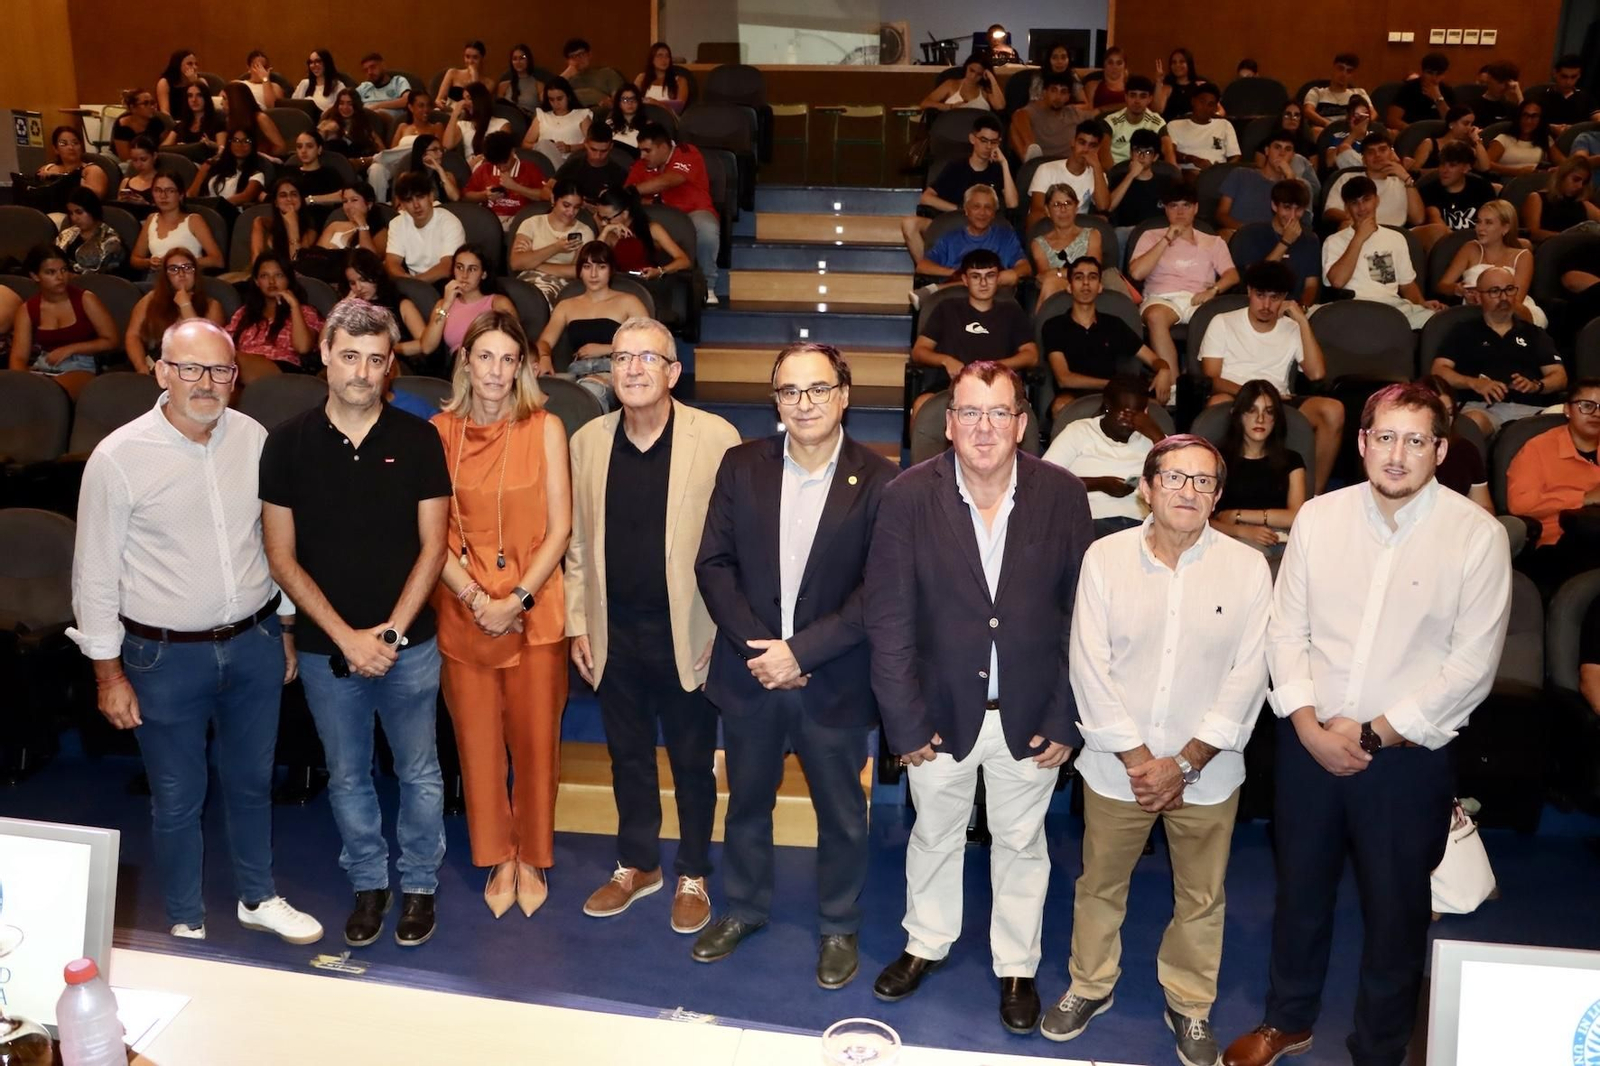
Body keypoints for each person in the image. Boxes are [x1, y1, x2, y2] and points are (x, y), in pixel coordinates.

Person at [1221, 382, 1511, 1066]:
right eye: (1385, 437)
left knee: (1396, 912)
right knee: (1300, 894)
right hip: (1309, 743)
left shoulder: (1477, 536)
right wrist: (1308, 726)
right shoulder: (1319, 518)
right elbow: (1285, 631)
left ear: (1441, 450)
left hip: (1406, 759)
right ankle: (1287, 1020)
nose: (1397, 454)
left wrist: (1375, 732)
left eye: (1416, 440)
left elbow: (1471, 667)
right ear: (1361, 442)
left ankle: (1379, 1049)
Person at [69, 316, 324, 946]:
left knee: (252, 782)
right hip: (162, 659)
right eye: (190, 368)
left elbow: (272, 545)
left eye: (219, 370)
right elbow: (94, 574)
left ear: (236, 378)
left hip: (255, 644)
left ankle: (257, 897)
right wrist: (108, 675)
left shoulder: (253, 438)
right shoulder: (118, 457)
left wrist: (285, 628)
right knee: (177, 796)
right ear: (161, 372)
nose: (205, 382)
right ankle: (185, 915)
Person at [865, 360, 1090, 1035]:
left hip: (1032, 714)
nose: (984, 427)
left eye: (999, 413)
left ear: (1021, 423)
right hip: (936, 715)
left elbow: (1083, 616)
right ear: (948, 424)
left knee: (1023, 843)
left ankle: (1017, 966)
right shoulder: (907, 496)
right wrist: (905, 723)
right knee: (933, 834)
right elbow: (889, 620)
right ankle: (925, 942)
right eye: (969, 412)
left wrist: (1066, 715)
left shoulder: (1062, 494)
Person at [1043, 434, 1269, 1065]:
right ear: (1146, 488)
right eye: (1173, 477)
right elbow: (1090, 666)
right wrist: (1143, 762)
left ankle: (1190, 1003)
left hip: (1210, 772)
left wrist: (1187, 761)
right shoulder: (1104, 559)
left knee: (1202, 897)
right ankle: (1090, 985)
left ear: (1218, 496)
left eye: (1203, 481)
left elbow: (1249, 674)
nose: (1187, 491)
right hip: (1120, 770)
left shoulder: (1248, 568)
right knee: (1099, 885)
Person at [691, 342, 897, 984]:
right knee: (746, 805)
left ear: (844, 395)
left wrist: (801, 653)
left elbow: (878, 591)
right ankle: (744, 908)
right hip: (751, 674)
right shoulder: (740, 465)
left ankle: (838, 924)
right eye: (789, 391)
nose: (804, 403)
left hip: (832, 680)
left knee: (842, 815)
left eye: (818, 389)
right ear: (775, 400)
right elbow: (713, 565)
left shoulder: (882, 479)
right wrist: (764, 652)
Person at [261, 297, 453, 950]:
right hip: (327, 651)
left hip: (410, 647)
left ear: (390, 364)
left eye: (375, 359)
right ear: (324, 355)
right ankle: (369, 884)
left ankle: (419, 884)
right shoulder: (286, 444)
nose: (362, 372)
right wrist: (347, 639)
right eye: (349, 356)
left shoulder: (419, 439)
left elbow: (435, 547)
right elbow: (280, 556)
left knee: (419, 772)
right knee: (347, 776)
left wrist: (390, 634)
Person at [566, 316, 740, 935]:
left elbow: (736, 544)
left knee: (693, 760)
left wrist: (724, 628)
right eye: (621, 358)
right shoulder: (586, 441)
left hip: (688, 633)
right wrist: (577, 622)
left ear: (673, 372)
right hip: (613, 631)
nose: (633, 368)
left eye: (648, 357)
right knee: (627, 757)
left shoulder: (716, 437)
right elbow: (578, 544)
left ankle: (693, 871)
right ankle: (638, 864)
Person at [430, 310, 570, 920]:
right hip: (464, 607)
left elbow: (561, 528)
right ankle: (496, 854)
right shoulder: (438, 432)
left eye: (507, 359)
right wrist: (476, 599)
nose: (495, 370)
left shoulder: (546, 427)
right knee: (478, 745)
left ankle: (531, 854)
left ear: (522, 368)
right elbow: (429, 534)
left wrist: (516, 600)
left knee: (537, 743)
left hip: (533, 607)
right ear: (465, 362)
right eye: (484, 356)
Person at [1199, 260, 1343, 492]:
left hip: (1280, 400)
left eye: (1274, 298)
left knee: (1332, 410)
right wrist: (1256, 396)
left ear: (1285, 298)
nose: (1266, 305)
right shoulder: (1223, 322)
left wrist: (1302, 321)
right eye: (1260, 295)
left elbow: (1317, 373)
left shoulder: (1292, 327)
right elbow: (1212, 378)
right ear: (1249, 291)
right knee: (1217, 404)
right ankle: (1214, 488)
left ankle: (1314, 495)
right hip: (1236, 395)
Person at [1429, 265, 1566, 435]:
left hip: (1530, 411)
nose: (1504, 297)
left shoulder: (1534, 333)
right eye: (1494, 291)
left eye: (1509, 290)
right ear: (1479, 296)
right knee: (1472, 424)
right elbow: (1439, 370)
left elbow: (1559, 376)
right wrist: (1474, 383)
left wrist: (1536, 386)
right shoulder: (1463, 331)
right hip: (1482, 409)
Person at [910, 248, 1036, 419]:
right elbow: (919, 351)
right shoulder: (946, 308)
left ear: (998, 278)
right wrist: (946, 360)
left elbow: (1031, 355)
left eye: (990, 276)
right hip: (951, 385)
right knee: (921, 405)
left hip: (999, 385)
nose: (983, 283)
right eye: (976, 276)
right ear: (965, 279)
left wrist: (995, 367)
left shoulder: (1012, 311)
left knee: (1023, 411)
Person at [1128, 182, 1239, 375]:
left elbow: (1232, 275)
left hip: (1200, 299)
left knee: (1224, 320)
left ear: (1195, 208)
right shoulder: (1150, 236)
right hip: (1162, 299)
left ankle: (1207, 381)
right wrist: (1166, 239)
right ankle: (1172, 385)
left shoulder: (1213, 241)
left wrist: (1213, 290)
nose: (1180, 211)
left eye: (1186, 205)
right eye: (1173, 206)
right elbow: (1137, 273)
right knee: (1155, 316)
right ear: (1166, 209)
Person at [1041, 255, 1172, 411]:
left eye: (1092, 277)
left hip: (1112, 396)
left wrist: (1164, 369)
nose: (1086, 283)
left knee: (1154, 408)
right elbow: (1064, 379)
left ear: (1100, 287)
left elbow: (1153, 359)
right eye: (1079, 277)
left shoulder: (1114, 324)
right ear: (1069, 287)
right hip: (1073, 395)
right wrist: (1113, 384)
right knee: (1060, 406)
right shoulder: (1054, 326)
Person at [1044, 376, 1168, 537]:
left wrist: (1157, 435)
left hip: (1141, 527)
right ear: (1108, 407)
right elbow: (1044, 481)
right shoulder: (1079, 431)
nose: (1130, 422)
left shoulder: (1156, 441)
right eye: (1124, 414)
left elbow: (1180, 475)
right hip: (1090, 523)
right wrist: (1099, 484)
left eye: (1137, 415)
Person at [1506, 380, 1600, 588]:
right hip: (1560, 541)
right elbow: (1520, 504)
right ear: (1567, 409)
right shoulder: (1538, 449)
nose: (1596, 413)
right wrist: (1583, 498)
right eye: (1587, 406)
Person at [534, 240, 649, 403]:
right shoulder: (566, 305)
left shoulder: (629, 301)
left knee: (590, 390)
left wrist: (606, 349)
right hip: (576, 372)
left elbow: (650, 342)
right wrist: (544, 357)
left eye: (601, 267)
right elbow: (544, 341)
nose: (593, 274)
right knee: (538, 389)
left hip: (615, 372)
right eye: (587, 267)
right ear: (580, 271)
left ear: (610, 270)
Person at [1321, 176, 1442, 329]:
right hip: (1353, 308)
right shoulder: (1334, 241)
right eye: (1354, 203)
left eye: (1366, 200)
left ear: (1377, 200)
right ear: (1346, 208)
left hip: (1392, 307)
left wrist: (1421, 304)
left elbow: (1407, 285)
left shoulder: (1396, 238)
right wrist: (1359, 238)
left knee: (1438, 319)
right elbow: (1337, 281)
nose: (1362, 208)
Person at [900, 113, 1017, 264]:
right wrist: (959, 210)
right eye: (983, 140)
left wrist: (1004, 164)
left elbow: (1012, 204)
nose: (988, 146)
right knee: (909, 223)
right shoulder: (956, 167)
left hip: (985, 226)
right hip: (953, 223)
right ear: (972, 139)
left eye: (993, 142)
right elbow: (926, 198)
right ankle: (928, 270)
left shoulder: (998, 170)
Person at [626, 124, 721, 304]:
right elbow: (626, 197)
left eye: (647, 150)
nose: (642, 156)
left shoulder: (686, 152)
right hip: (660, 218)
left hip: (693, 212)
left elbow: (671, 180)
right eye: (640, 150)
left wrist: (634, 191)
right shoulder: (640, 165)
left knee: (707, 228)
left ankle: (707, 285)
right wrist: (635, 196)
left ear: (663, 147)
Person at [8, 244, 117, 399]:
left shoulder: (86, 299)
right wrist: (23, 380)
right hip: (43, 367)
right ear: (35, 276)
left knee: (52, 395)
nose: (60, 277)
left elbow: (111, 340)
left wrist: (71, 349)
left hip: (81, 366)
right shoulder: (27, 309)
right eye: (51, 272)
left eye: (64, 270)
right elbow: (18, 358)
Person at [1210, 382, 1308, 549]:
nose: (1260, 419)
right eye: (1251, 410)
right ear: (1237, 414)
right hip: (1228, 540)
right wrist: (1241, 531)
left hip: (1279, 541)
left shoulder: (1292, 460)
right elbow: (1201, 520)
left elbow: (1296, 516)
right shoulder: (1215, 459)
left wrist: (1238, 514)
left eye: (1268, 411)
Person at [1435, 199, 1545, 325]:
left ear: (1505, 228)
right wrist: (1458, 290)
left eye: (1488, 222)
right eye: (1478, 221)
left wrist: (1485, 296)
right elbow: (1442, 286)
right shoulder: (1470, 248)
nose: (1480, 228)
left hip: (1512, 314)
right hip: (1473, 313)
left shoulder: (1523, 256)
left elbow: (1514, 300)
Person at [914, 185, 1029, 293]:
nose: (982, 212)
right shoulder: (951, 238)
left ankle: (935, 289)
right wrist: (957, 273)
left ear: (994, 213)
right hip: (956, 296)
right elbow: (922, 266)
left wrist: (1013, 273)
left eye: (988, 207)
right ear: (966, 210)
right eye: (976, 207)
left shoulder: (1005, 237)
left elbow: (1025, 267)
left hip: (995, 296)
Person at [227, 252, 323, 380]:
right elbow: (224, 341)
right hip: (244, 370)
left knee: (228, 360)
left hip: (284, 370)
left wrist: (294, 305)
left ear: (288, 279)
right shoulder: (244, 312)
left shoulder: (305, 311)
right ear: (256, 281)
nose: (271, 281)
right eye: (264, 276)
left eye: (278, 275)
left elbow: (303, 347)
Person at [125, 248, 224, 373]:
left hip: (192, 371)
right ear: (166, 276)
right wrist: (140, 365)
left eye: (187, 267)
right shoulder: (151, 299)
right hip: (151, 367)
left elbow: (205, 347)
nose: (181, 273)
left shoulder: (212, 306)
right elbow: (133, 335)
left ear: (195, 272)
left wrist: (185, 305)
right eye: (173, 269)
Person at [1228, 179, 1322, 307]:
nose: (1292, 215)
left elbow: (1311, 285)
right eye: (1287, 208)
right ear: (1274, 205)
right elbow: (1258, 280)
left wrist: (1302, 307)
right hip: (1257, 306)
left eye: (1298, 209)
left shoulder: (1310, 239)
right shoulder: (1250, 233)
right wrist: (1285, 242)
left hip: (1295, 307)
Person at [418, 245, 518, 360]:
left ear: (483, 274)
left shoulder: (498, 303)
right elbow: (427, 347)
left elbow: (514, 343)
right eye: (459, 267)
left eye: (472, 269)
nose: (464, 275)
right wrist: (446, 305)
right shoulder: (443, 304)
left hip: (490, 362)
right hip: (457, 365)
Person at [338, 248, 429, 369]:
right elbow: (327, 341)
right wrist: (341, 309)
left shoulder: (401, 304)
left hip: (396, 364)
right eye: (352, 283)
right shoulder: (351, 306)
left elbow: (425, 343)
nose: (358, 288)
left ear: (376, 276)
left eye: (363, 280)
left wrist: (389, 348)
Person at [1416, 375, 1494, 511]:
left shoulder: (1465, 450)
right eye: (1438, 414)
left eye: (1450, 413)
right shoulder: (1402, 452)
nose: (1445, 421)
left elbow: (1484, 507)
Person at [509, 180, 594, 304]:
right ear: (554, 199)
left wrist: (533, 262)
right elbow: (516, 263)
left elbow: (578, 271)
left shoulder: (585, 232)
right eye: (566, 205)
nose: (571, 212)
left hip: (561, 285)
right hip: (527, 281)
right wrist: (556, 247)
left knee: (539, 300)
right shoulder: (532, 223)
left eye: (576, 207)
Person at [1216, 132, 1310, 237]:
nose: (1282, 153)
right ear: (1267, 151)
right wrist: (1247, 231)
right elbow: (1221, 214)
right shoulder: (1240, 174)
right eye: (1277, 147)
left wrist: (1290, 177)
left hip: (1275, 238)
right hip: (1237, 233)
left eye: (1287, 149)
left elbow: (1300, 224)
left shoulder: (1300, 186)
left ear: (1292, 156)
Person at [130, 173, 225, 276]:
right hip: (157, 278)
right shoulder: (151, 219)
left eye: (170, 191)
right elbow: (135, 259)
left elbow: (217, 260)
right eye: (158, 190)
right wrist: (148, 262)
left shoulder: (194, 220)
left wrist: (177, 264)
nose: (163, 196)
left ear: (180, 195)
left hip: (185, 277)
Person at [1323, 133, 1423, 228]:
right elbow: (1330, 211)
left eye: (1382, 150)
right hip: (1360, 229)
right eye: (1370, 152)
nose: (1377, 155)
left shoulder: (1403, 183)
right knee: (1344, 226)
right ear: (1363, 160)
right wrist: (1356, 220)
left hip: (1397, 233)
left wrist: (1407, 178)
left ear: (1392, 154)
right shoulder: (1348, 178)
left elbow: (1418, 220)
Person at [593, 186, 692, 281]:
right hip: (619, 284)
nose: (603, 223)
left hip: (647, 282)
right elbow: (593, 260)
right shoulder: (609, 233)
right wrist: (605, 231)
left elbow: (684, 261)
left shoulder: (652, 229)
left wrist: (660, 271)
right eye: (601, 218)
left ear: (624, 214)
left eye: (607, 219)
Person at [1413, 142, 1498, 250]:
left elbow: (1493, 222)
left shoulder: (1482, 188)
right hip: (1447, 247)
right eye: (1442, 164)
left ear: (1466, 168)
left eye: (1452, 165)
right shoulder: (1429, 190)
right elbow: (1435, 219)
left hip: (1481, 245)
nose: (1444, 170)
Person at [385, 170, 466, 283]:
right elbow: (392, 262)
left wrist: (415, 284)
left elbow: (447, 267)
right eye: (409, 200)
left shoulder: (450, 222)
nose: (416, 205)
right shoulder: (397, 223)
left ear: (431, 197)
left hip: (444, 283)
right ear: (402, 204)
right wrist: (406, 281)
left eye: (420, 197)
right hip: (412, 282)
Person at [1030, 184, 1105, 305]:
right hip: (1056, 294)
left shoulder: (1092, 234)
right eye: (1056, 205)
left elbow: (1093, 271)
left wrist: (1058, 272)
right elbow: (1044, 276)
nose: (1063, 209)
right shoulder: (1038, 243)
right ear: (1047, 210)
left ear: (1076, 207)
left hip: (1088, 289)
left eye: (1068, 203)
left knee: (1051, 283)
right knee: (1050, 283)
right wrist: (1077, 274)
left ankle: (1040, 318)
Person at [1024, 122, 1109, 226]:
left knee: (1103, 220)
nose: (1086, 150)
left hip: (1078, 228)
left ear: (1098, 149)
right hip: (1049, 224)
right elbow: (1037, 209)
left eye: (1092, 146)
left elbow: (1103, 207)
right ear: (1073, 142)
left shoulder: (1098, 174)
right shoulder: (1046, 169)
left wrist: (1097, 167)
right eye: (1082, 143)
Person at [465, 131, 548, 228]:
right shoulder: (484, 169)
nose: (501, 168)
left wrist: (515, 187)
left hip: (518, 220)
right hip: (489, 221)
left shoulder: (529, 169)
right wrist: (485, 195)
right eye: (496, 164)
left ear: (512, 152)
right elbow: (466, 196)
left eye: (504, 162)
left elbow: (545, 195)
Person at [1010, 71, 1087, 163]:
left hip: (1070, 163)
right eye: (1053, 90)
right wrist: (1031, 144)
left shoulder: (1074, 111)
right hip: (1043, 163)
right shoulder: (1035, 108)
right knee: (1012, 127)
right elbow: (1019, 115)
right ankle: (1031, 158)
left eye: (1063, 92)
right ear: (1045, 92)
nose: (1058, 96)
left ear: (1068, 96)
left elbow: (1097, 112)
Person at [1107, 129, 1175, 230]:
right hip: (1127, 232)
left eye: (1147, 152)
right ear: (1131, 153)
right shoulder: (1118, 178)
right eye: (1138, 151)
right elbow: (1108, 207)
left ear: (1155, 157)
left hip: (1157, 231)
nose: (1141, 157)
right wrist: (1131, 175)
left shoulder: (1167, 182)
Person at [1100, 75, 1172, 169]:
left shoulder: (1157, 122)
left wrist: (1172, 173)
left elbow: (1168, 152)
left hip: (1146, 172)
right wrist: (1115, 175)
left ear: (1150, 99)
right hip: (1116, 171)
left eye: (1143, 96)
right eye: (1133, 95)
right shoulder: (1110, 122)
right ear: (1126, 97)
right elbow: (1104, 154)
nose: (1137, 101)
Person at [1522, 157, 1600, 243]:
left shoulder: (1583, 204)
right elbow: (1533, 233)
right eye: (1576, 179)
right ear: (1562, 176)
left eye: (1584, 182)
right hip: (1549, 248)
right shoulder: (1537, 198)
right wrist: (1571, 238)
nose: (1580, 186)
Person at [1165, 83, 1240, 172]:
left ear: (1216, 108)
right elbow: (1169, 153)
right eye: (1202, 102)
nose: (1205, 107)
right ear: (1193, 101)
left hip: (1217, 172)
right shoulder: (1174, 125)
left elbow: (1235, 156)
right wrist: (1192, 159)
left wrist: (1222, 169)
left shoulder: (1225, 125)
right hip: (1187, 172)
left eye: (1210, 104)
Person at [523, 78, 593, 170]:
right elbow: (525, 144)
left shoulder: (582, 115)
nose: (556, 103)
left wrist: (569, 148)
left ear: (568, 96)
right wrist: (546, 147)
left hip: (571, 162)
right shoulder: (542, 116)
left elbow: (592, 144)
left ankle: (559, 174)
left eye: (559, 99)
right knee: (544, 144)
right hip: (545, 162)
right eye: (551, 99)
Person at [189, 128, 268, 209]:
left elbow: (245, 196)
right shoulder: (210, 165)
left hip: (230, 213)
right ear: (229, 143)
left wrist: (215, 207)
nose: (240, 145)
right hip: (203, 211)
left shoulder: (256, 175)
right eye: (235, 140)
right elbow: (191, 193)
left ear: (253, 145)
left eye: (246, 141)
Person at [57, 188, 126, 276]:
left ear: (92, 210)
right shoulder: (66, 234)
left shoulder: (111, 240)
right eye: (71, 213)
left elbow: (110, 275)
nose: (74, 218)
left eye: (79, 212)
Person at [250, 178, 319, 265]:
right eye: (283, 195)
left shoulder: (310, 231)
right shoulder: (262, 223)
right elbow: (256, 262)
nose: (289, 199)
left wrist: (293, 225)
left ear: (301, 200)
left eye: (294, 195)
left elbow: (298, 265)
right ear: (276, 202)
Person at [1403, 105, 1491, 173]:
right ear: (1451, 124)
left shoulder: (1467, 149)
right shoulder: (1429, 143)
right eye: (1465, 124)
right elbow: (1414, 171)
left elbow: (1485, 167)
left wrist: (1476, 140)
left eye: (1471, 124)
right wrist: (1447, 172)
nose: (1469, 128)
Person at [558, 124, 630, 206]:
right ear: (586, 144)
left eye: (603, 151)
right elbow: (549, 188)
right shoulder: (573, 163)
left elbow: (624, 205)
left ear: (611, 146)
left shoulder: (619, 173)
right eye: (593, 150)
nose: (598, 156)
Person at [1488, 101, 1562, 177]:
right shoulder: (1504, 139)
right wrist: (1516, 171)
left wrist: (1556, 169)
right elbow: (1486, 164)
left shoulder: (1545, 140)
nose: (1528, 121)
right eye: (1525, 115)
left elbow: (1564, 163)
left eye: (1534, 116)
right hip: (1507, 181)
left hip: (1537, 180)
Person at [444, 82, 510, 168]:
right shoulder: (463, 125)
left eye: (469, 98)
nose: (465, 103)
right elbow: (447, 145)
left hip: (493, 169)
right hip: (470, 170)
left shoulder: (502, 124)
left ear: (480, 100)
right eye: (464, 99)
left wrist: (483, 160)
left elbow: (505, 154)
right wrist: (455, 114)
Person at [35, 126, 109, 201]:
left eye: (75, 143)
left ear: (81, 146)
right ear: (56, 149)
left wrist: (60, 178)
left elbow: (95, 197)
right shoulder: (47, 169)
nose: (71, 147)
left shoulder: (92, 170)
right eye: (64, 144)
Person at [1386, 53, 1454, 131]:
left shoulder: (1447, 90)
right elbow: (1392, 120)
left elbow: (1452, 123)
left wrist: (1438, 98)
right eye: (1430, 73)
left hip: (1438, 133)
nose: (1434, 78)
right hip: (1412, 131)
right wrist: (1417, 132)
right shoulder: (1408, 88)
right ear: (1422, 72)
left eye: (1439, 74)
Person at [1531, 54, 1600, 131]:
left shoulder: (1586, 98)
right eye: (1564, 76)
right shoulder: (1541, 96)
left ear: (1579, 75)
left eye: (1573, 77)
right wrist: (1551, 128)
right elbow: (1530, 122)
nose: (1568, 82)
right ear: (1555, 73)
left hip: (1577, 137)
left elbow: (1597, 117)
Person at [1303, 53, 1371, 129]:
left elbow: (1372, 113)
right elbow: (1308, 111)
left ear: (1352, 75)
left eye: (1349, 71)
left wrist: (1358, 123)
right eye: (1340, 68)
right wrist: (1328, 124)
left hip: (1351, 130)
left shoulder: (1359, 93)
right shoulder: (1317, 92)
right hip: (1324, 130)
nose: (1344, 74)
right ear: (1333, 69)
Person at [919, 55, 1005, 113]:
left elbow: (1000, 106)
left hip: (979, 131)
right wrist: (950, 107)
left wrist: (991, 77)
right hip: (952, 127)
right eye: (971, 70)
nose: (973, 76)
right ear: (966, 67)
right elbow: (925, 103)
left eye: (979, 74)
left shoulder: (985, 90)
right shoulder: (950, 84)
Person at [220, 82, 285, 158]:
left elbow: (281, 147)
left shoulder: (260, 118)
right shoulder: (228, 119)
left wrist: (260, 156)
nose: (221, 103)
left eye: (224, 98)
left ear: (235, 100)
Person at [288, 130, 348, 208]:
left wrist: (311, 200)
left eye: (309, 146)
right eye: (299, 147)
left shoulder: (330, 174)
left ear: (319, 149)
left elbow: (343, 196)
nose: (303, 151)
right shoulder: (289, 173)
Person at [561, 38, 625, 110]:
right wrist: (565, 76)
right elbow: (554, 100)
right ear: (567, 61)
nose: (578, 59)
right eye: (573, 57)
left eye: (581, 55)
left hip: (602, 112)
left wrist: (610, 103)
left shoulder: (607, 73)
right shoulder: (565, 81)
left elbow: (620, 101)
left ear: (589, 55)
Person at [111, 89, 170, 161]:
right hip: (125, 161)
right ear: (133, 107)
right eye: (145, 103)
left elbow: (164, 148)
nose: (152, 107)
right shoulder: (123, 125)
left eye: (152, 103)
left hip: (151, 160)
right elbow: (125, 158)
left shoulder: (157, 122)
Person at [435, 40, 496, 108]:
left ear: (482, 59)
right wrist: (442, 105)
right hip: (448, 110)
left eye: (475, 57)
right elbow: (438, 99)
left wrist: (474, 78)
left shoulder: (489, 83)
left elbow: (478, 105)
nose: (470, 61)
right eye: (467, 57)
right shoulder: (452, 73)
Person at [163, 82, 225, 150]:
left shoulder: (218, 123)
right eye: (190, 96)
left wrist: (212, 145)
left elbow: (222, 150)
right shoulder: (181, 125)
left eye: (199, 95)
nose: (194, 100)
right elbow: (163, 148)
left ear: (206, 98)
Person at [1322, 99, 1377, 172]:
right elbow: (1330, 162)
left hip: (1377, 172)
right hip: (1349, 175)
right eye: (1356, 115)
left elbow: (1391, 158)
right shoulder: (1338, 137)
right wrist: (1353, 135)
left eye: (1364, 114)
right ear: (1349, 118)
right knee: (1344, 149)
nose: (1360, 118)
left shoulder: (1377, 137)